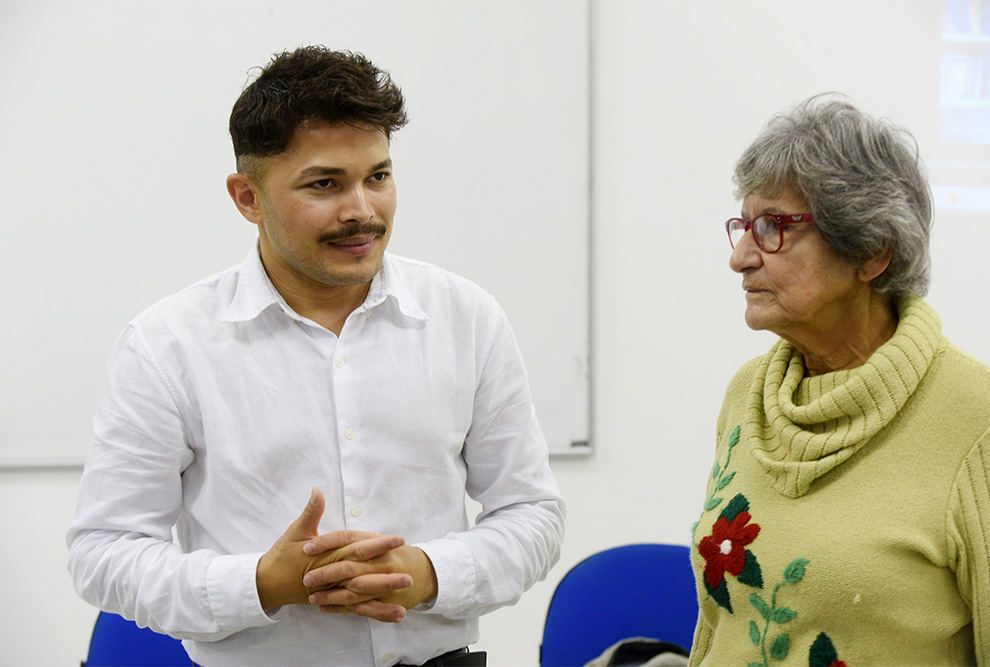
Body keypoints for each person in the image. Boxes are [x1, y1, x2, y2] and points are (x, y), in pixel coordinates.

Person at [67, 46, 565, 667]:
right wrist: (262, 584)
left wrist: (430, 571)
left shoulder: (466, 318)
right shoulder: (166, 346)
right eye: (325, 184)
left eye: (378, 176)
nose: (362, 210)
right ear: (247, 197)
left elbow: (532, 515)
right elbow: (105, 552)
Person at [689, 94, 990, 665]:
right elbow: (719, 623)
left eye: (773, 226)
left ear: (873, 251)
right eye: (744, 226)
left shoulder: (976, 417)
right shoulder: (747, 396)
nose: (742, 257)